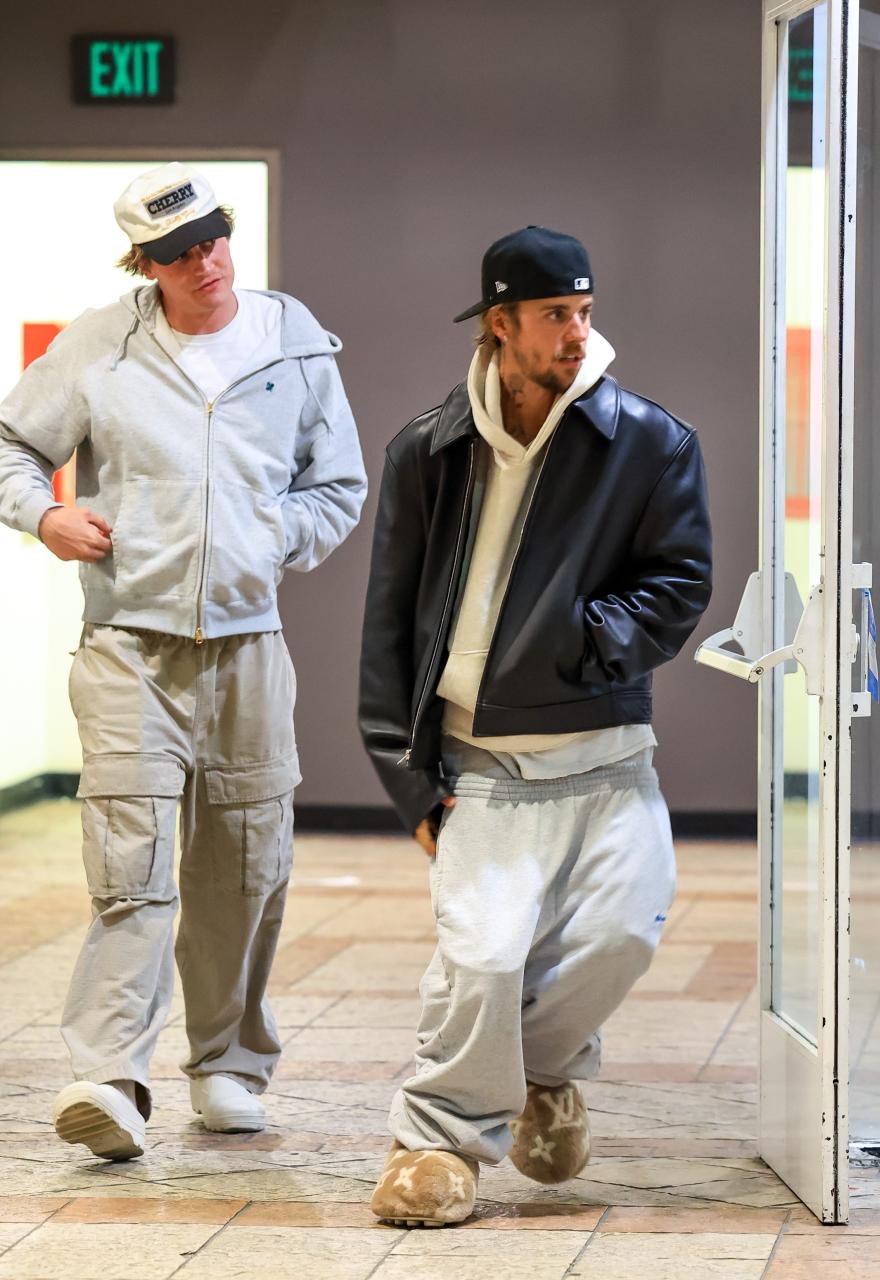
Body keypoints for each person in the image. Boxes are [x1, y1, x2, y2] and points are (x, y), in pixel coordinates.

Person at [0, 162, 366, 1160]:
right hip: (128, 649)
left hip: (250, 647)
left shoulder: (292, 343)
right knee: (131, 866)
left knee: (245, 868)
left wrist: (265, 539)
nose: (206, 266)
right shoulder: (99, 345)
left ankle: (228, 1067)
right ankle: (109, 1076)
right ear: (145, 264)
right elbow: (10, 445)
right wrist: (47, 514)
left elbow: (337, 482)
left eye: (213, 243)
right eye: (179, 255)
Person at [358, 226, 712, 1226]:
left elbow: (681, 580)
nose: (576, 332)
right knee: (482, 955)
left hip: (609, 754)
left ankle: (546, 1074)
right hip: (482, 761)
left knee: (621, 937)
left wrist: (585, 639)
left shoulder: (649, 440)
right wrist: (404, 774)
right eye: (555, 313)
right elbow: (388, 622)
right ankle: (436, 1140)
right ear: (500, 325)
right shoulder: (427, 451)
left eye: (585, 312)